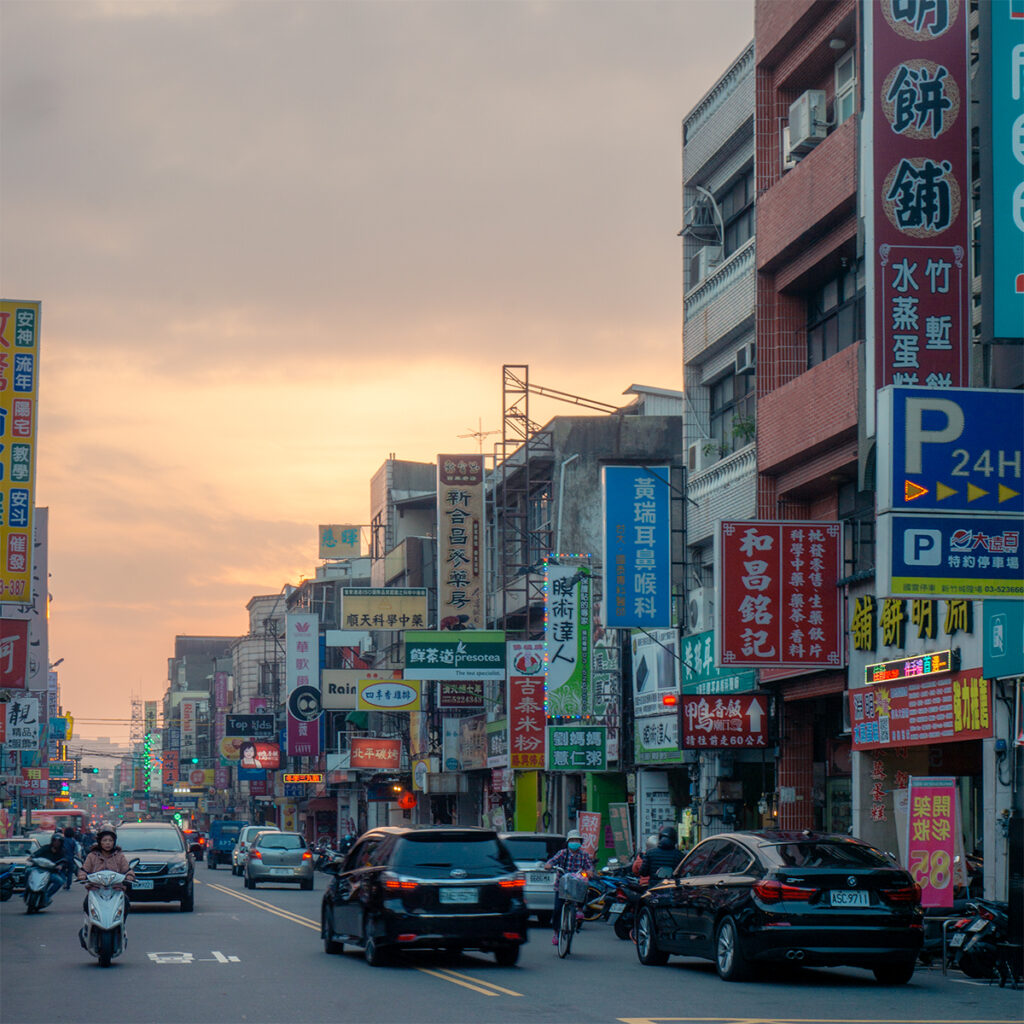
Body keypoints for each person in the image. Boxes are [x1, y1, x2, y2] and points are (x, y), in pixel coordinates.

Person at [542, 829, 594, 946]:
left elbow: (589, 866)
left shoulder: (584, 855)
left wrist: (590, 871)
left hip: (576, 885)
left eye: (577, 840)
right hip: (562, 887)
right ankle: (556, 933)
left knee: (585, 888)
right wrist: (549, 865)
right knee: (557, 910)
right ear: (568, 842)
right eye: (572, 840)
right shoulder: (562, 853)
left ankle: (580, 910)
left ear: (580, 842)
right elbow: (552, 861)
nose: (575, 842)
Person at [77, 823, 136, 913]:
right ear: (100, 841)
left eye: (110, 840)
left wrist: (130, 876)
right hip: (96, 890)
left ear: (114, 842)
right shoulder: (92, 856)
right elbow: (84, 870)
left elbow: (127, 870)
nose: (107, 843)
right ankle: (89, 926)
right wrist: (82, 875)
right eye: (104, 840)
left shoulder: (119, 856)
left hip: (116, 891)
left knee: (126, 903)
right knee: (86, 905)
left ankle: (121, 925)